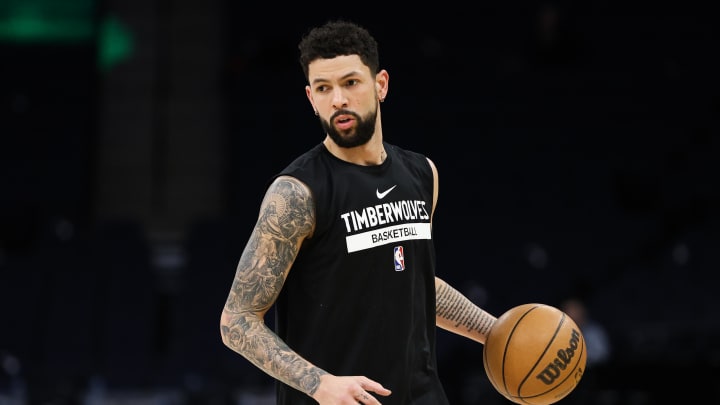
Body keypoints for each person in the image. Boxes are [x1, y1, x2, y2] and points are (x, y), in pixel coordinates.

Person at [219, 20, 497, 405]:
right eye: (323, 88)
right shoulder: (296, 194)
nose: (338, 100)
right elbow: (237, 321)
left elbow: (414, 283)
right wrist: (320, 384)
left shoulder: (422, 174)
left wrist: (496, 331)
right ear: (310, 98)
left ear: (380, 85)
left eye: (350, 83)